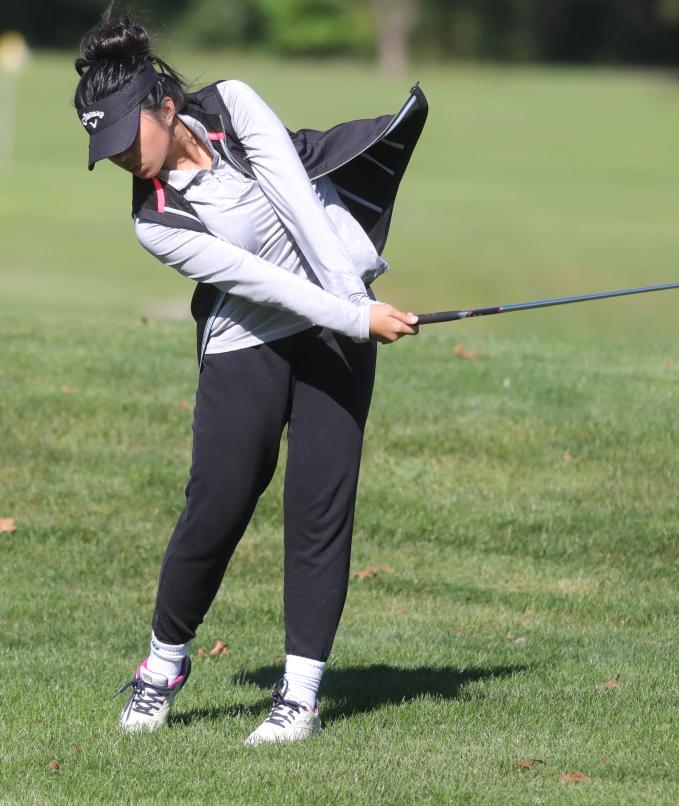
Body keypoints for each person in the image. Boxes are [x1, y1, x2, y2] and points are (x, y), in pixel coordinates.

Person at [73, 3, 424, 745]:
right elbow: (255, 278)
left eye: (121, 137)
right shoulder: (152, 219)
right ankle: (162, 665)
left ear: (161, 105)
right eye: (104, 151)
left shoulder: (233, 103)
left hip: (338, 308)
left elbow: (301, 206)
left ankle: (298, 697)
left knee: (320, 502)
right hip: (249, 341)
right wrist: (355, 316)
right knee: (219, 504)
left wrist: (353, 302)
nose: (119, 160)